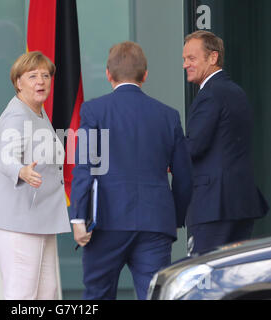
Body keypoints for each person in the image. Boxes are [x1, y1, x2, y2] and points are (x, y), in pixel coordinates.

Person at [70, 41, 193, 300]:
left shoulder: (94, 110)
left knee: (97, 297)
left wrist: (79, 217)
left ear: (108, 74)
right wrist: (175, 217)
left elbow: (85, 166)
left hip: (106, 221)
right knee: (155, 295)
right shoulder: (168, 115)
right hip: (155, 221)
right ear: (145, 75)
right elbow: (184, 175)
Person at [0, 51, 71, 300]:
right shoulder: (17, 115)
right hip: (18, 220)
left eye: (45, 75)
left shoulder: (38, 113)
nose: (41, 81)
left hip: (39, 217)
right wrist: (21, 170)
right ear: (18, 83)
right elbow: (6, 156)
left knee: (47, 292)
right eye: (32, 76)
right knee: (22, 294)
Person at [182, 30, 269, 255]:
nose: (185, 65)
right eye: (184, 59)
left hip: (213, 206)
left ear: (213, 58)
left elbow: (194, 146)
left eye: (191, 58)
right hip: (240, 203)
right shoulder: (236, 91)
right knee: (232, 279)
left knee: (205, 278)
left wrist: (165, 158)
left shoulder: (210, 94)